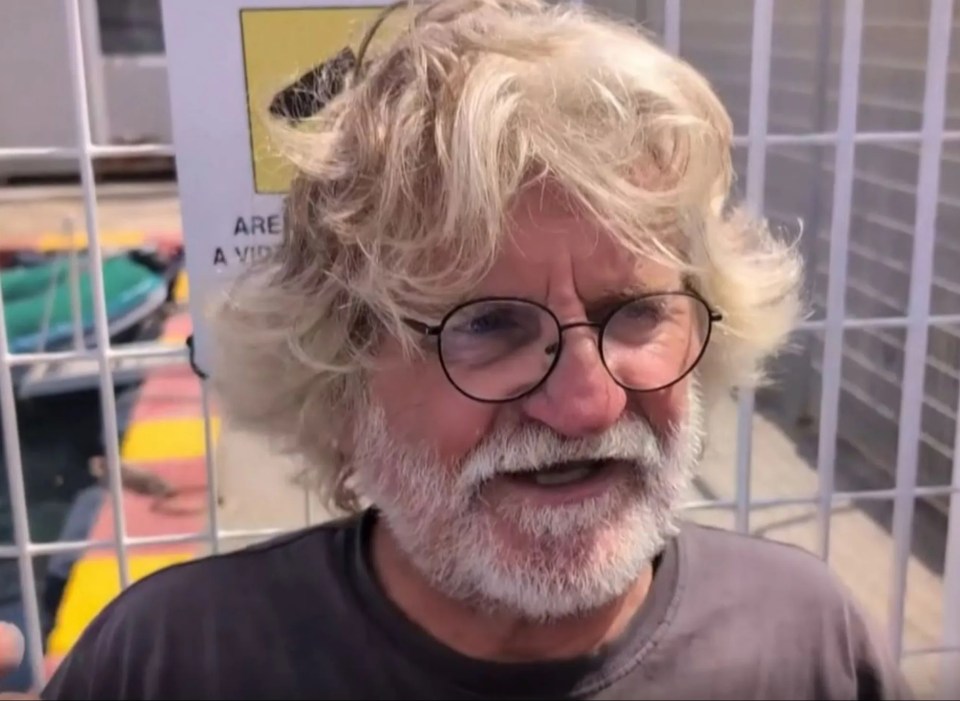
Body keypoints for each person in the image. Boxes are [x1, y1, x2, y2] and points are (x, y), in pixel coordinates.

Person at [8, 0, 911, 698]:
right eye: (488, 325)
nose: (589, 403)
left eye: (637, 313)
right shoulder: (182, 664)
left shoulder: (802, 646)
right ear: (339, 367)